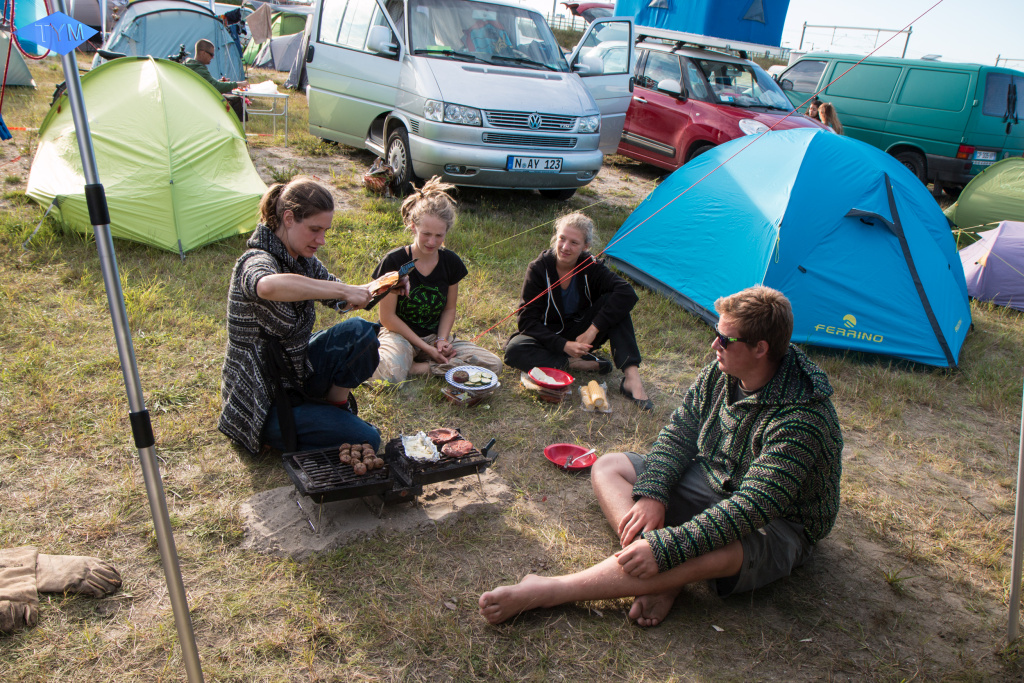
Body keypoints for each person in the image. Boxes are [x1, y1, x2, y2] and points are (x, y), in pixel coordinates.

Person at [480, 286, 843, 626]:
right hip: (714, 479)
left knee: (725, 550)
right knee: (609, 466)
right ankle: (662, 579)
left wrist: (669, 547)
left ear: (761, 348)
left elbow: (754, 506)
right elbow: (680, 433)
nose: (714, 343)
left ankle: (552, 591)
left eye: (725, 339)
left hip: (777, 522)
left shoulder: (802, 416)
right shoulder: (724, 370)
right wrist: (654, 494)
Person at [219, 176, 386, 454]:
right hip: (262, 400)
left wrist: (385, 286)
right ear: (287, 218)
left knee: (361, 333)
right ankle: (299, 426)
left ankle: (335, 410)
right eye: (314, 229)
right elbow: (267, 286)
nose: (320, 240)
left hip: (295, 375)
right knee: (368, 438)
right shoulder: (256, 260)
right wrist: (344, 290)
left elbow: (340, 300)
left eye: (325, 230)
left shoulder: (302, 259)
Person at [504, 213, 652, 410]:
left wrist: (592, 330)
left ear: (585, 246)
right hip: (549, 336)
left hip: (584, 334)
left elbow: (627, 293)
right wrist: (564, 345)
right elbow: (526, 321)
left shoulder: (591, 267)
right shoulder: (538, 269)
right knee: (514, 350)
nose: (565, 247)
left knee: (617, 303)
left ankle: (632, 379)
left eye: (574, 242)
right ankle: (574, 362)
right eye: (562, 238)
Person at [370, 177, 502, 383]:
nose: (432, 242)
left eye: (439, 235)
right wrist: (426, 348)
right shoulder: (395, 261)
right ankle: (422, 366)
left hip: (434, 336)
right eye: (426, 234)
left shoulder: (451, 262)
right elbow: (387, 318)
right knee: (390, 376)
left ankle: (418, 368)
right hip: (400, 335)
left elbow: (449, 308)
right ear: (413, 227)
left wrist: (441, 341)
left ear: (446, 232)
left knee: (493, 364)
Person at [184, 38, 249, 122]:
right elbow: (217, 87)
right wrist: (238, 84)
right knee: (236, 100)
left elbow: (210, 83)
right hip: (203, 101)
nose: (213, 57)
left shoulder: (191, 65)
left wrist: (220, 82)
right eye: (211, 54)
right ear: (203, 53)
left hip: (197, 98)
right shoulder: (199, 69)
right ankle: (236, 129)